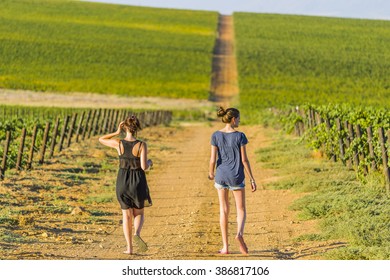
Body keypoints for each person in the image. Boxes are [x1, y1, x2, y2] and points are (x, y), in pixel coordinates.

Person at [99, 115, 153, 254]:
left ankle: (129, 248)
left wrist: (117, 132)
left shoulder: (118, 143)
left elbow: (101, 139)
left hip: (122, 181)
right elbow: (143, 167)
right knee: (139, 212)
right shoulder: (141, 145)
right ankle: (137, 234)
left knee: (126, 215)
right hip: (138, 181)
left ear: (125, 127)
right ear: (137, 128)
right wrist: (150, 164)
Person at [208, 107, 257, 255]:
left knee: (224, 210)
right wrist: (252, 179)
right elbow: (244, 160)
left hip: (221, 175)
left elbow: (212, 159)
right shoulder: (240, 136)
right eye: (239, 118)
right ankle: (239, 234)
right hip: (236, 176)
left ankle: (225, 247)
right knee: (240, 209)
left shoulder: (215, 135)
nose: (240, 121)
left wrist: (211, 173)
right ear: (234, 119)